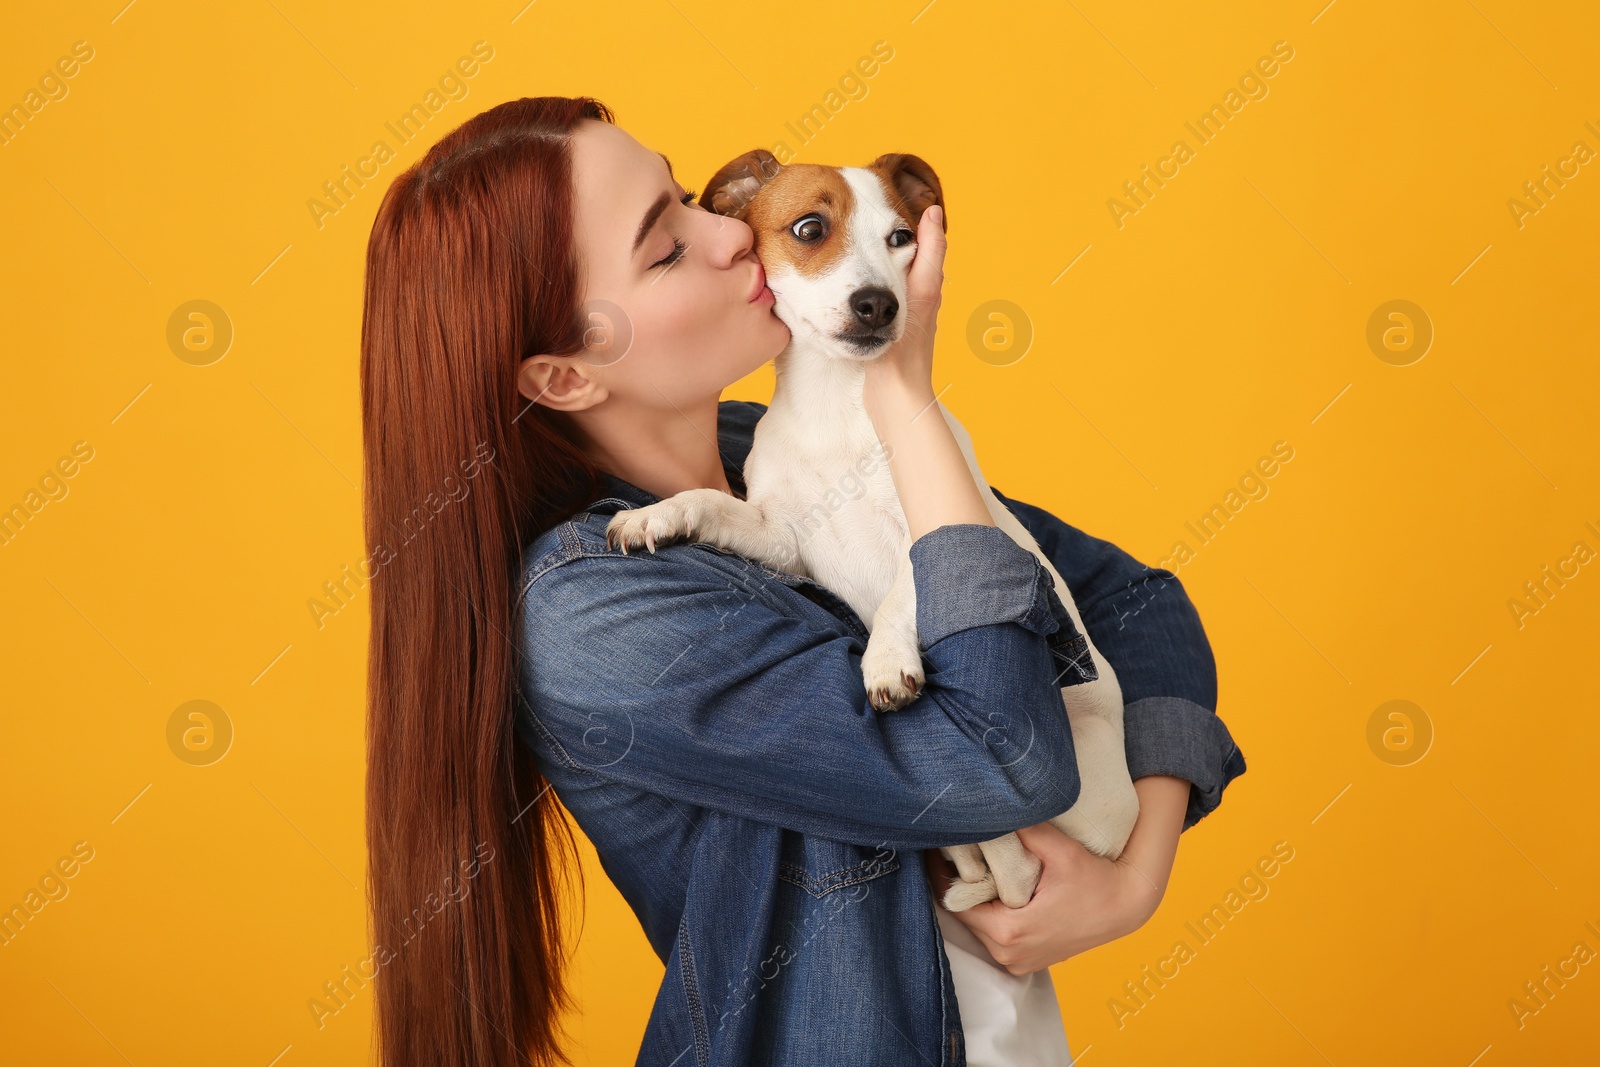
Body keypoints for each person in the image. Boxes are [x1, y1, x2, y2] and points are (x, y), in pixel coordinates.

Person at [359, 95, 1245, 1067]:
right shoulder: (592, 612)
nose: (731, 235)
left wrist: (1138, 870)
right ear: (566, 375)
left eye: (689, 196)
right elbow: (997, 758)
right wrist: (905, 398)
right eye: (664, 247)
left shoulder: (774, 452)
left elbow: (1133, 599)